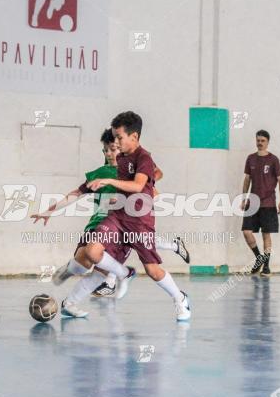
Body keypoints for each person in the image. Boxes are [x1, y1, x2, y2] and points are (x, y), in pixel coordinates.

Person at [52, 111, 191, 321]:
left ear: (133, 137)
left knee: (153, 271)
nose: (116, 143)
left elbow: (137, 185)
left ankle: (179, 298)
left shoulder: (144, 157)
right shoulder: (122, 158)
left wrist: (138, 186)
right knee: (92, 250)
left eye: (119, 138)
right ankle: (117, 276)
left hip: (140, 220)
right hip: (118, 217)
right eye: (113, 140)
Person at [240, 130, 280, 277]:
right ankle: (259, 258)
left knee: (266, 235)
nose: (260, 143)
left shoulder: (274, 160)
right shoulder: (251, 159)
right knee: (247, 232)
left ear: (267, 142)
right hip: (252, 202)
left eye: (263, 141)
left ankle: (266, 266)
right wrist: (244, 197)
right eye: (258, 140)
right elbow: (247, 180)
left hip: (268, 203)